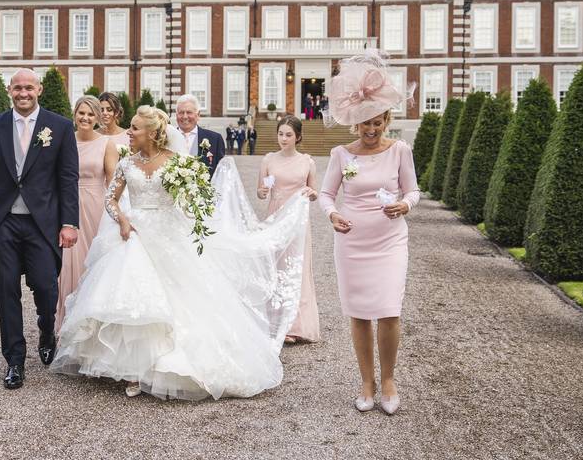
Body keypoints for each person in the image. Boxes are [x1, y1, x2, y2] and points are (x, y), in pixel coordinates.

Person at [51, 106, 311, 400]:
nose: (129, 133)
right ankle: (133, 368)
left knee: (181, 298)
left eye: (134, 129)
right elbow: (111, 200)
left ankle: (166, 365)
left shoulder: (178, 164)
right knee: (133, 297)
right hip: (134, 234)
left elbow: (192, 205)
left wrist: (186, 217)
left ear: (151, 133)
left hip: (168, 234)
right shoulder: (126, 163)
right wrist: (123, 219)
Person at [0, 68, 80, 390]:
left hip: (43, 224)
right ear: (9, 91)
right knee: (6, 290)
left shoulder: (61, 127)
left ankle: (45, 329)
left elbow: (67, 179)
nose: (23, 93)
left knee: (46, 286)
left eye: (29, 88)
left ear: (38, 89)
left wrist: (69, 223)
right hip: (5, 224)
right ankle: (14, 360)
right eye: (17, 88)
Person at [318, 51, 418, 415]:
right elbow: (327, 195)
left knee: (390, 311)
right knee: (359, 313)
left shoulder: (400, 151)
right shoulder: (341, 154)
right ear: (355, 124)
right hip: (352, 243)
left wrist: (406, 205)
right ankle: (366, 381)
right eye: (365, 125)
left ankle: (388, 380)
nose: (371, 131)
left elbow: (414, 191)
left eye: (377, 123)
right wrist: (332, 215)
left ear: (387, 119)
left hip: (391, 241)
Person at [56, 96, 119, 331]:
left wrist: (117, 217)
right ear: (75, 114)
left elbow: (113, 184)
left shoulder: (106, 144)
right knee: (66, 269)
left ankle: (91, 330)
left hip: (96, 209)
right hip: (66, 210)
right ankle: (65, 328)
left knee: (93, 267)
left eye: (91, 114)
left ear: (98, 118)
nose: (85, 118)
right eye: (81, 113)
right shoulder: (64, 140)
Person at [257, 116, 319, 343]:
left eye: (288, 135)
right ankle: (273, 320)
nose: (283, 138)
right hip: (275, 217)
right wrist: (262, 192)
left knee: (295, 269)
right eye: (281, 134)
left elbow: (314, 192)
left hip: (298, 222)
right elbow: (261, 191)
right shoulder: (268, 160)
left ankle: (294, 325)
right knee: (274, 267)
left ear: (298, 137)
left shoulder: (307, 162)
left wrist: (312, 194)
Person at [175, 94, 225, 174]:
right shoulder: (166, 139)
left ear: (198, 115)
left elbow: (221, 174)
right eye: (181, 112)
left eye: (189, 112)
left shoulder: (215, 139)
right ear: (176, 115)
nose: (185, 116)